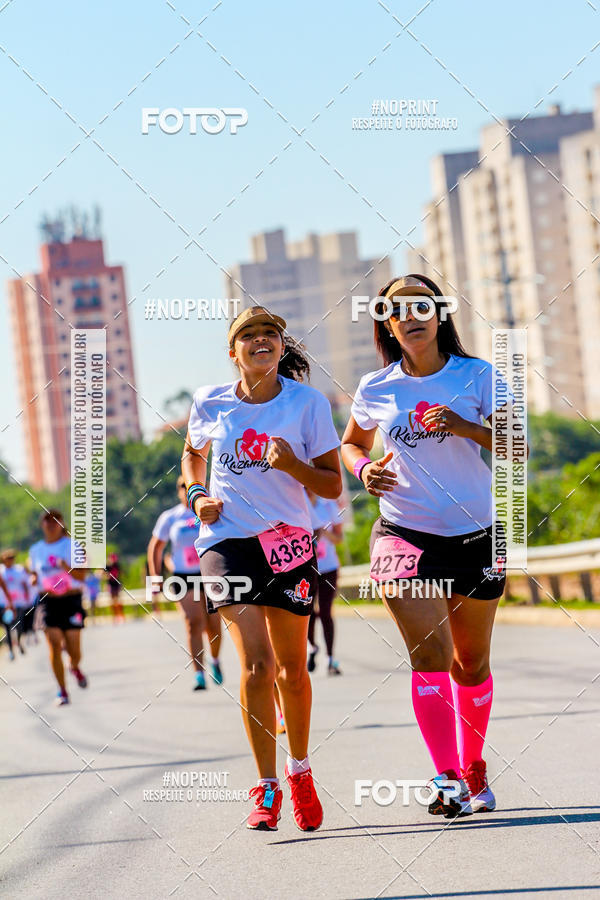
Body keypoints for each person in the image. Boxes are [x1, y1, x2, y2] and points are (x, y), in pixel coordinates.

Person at [341, 274, 526, 818]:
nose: (412, 316)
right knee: (429, 656)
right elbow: (351, 443)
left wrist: (468, 428)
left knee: (470, 664)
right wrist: (365, 468)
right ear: (389, 326)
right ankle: (446, 778)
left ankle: (473, 768)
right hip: (403, 533)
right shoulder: (377, 386)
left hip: (476, 536)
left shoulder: (478, 376)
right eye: (398, 311)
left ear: (440, 315)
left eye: (422, 306)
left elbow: (519, 447)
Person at [181, 306, 341, 832]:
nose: (260, 341)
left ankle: (300, 770)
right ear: (234, 352)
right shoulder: (210, 401)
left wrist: (293, 465)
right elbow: (192, 458)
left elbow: (332, 485)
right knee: (257, 665)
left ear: (281, 347)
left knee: (293, 671)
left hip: (289, 541)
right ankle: (266, 786)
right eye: (248, 336)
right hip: (226, 541)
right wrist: (199, 493)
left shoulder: (307, 404)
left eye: (269, 334)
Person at [147, 477, 223, 691]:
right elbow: (156, 547)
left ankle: (215, 661)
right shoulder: (170, 517)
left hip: (209, 573)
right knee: (193, 623)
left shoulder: (212, 509)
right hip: (183, 576)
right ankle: (199, 674)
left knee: (213, 625)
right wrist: (156, 577)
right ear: (179, 491)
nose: (187, 490)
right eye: (183, 486)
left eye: (193, 486)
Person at [28, 509, 88, 705]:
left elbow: (81, 576)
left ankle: (74, 666)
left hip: (71, 601)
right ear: (42, 525)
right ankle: (62, 690)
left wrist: (66, 567)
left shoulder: (72, 546)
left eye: (55, 519)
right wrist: (33, 578)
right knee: (53, 642)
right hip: (48, 601)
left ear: (62, 524)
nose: (51, 523)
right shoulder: (36, 550)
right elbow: (33, 573)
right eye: (47, 520)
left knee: (74, 649)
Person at [305, 490, 344, 675]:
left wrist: (323, 532)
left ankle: (331, 659)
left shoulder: (328, 505)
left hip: (328, 567)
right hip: (305, 568)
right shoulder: (296, 503)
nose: (307, 489)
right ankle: (312, 647)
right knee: (308, 613)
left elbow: (339, 539)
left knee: (326, 612)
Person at [0, 549, 29, 656]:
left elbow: (24, 584)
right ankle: (11, 650)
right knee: (7, 626)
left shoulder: (19, 570)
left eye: (12, 558)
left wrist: (27, 597)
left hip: (18, 602)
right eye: (8, 558)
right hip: (4, 604)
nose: (10, 560)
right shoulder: (1, 571)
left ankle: (19, 641)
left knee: (19, 626)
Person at [105, 553, 124, 623]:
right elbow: (103, 574)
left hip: (117, 584)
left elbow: (121, 573)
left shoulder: (117, 565)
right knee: (112, 601)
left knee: (118, 600)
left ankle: (121, 615)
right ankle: (115, 616)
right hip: (110, 584)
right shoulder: (107, 566)